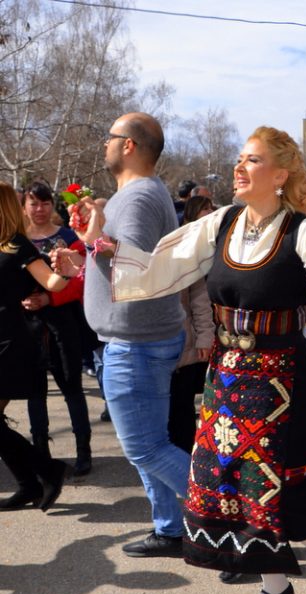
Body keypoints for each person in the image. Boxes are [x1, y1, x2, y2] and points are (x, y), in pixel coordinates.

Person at [64, 126, 306, 594]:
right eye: (239, 159)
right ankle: (274, 585)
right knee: (238, 487)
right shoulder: (220, 223)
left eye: (253, 160)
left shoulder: (303, 230)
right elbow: (159, 266)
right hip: (227, 377)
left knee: (285, 490)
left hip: (282, 383)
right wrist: (98, 243)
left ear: (281, 174)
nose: (239, 168)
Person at [74, 112, 193, 558]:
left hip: (137, 344)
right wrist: (87, 249)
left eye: (109, 137)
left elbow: (136, 268)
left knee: (146, 448)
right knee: (150, 443)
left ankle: (230, 516)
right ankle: (169, 529)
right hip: (136, 340)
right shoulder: (133, 195)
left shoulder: (140, 197)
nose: (103, 143)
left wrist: (92, 239)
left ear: (129, 146)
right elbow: (119, 259)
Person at [0, 182, 70, 512]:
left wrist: (66, 270)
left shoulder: (18, 246)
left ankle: (45, 471)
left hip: (11, 343)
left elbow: (52, 282)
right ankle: (32, 482)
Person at [21, 181, 93, 476]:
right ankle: (41, 455)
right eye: (33, 204)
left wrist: (49, 298)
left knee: (72, 387)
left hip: (64, 323)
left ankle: (83, 452)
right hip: (27, 325)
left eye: (45, 203)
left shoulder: (67, 236)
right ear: (24, 207)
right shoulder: (16, 239)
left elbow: (81, 280)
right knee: (35, 392)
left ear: (53, 205)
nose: (40, 209)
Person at [167, 195, 217, 453]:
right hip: (153, 349)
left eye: (210, 208)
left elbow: (199, 298)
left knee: (183, 410)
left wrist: (205, 337)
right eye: (203, 209)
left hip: (185, 346)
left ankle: (186, 466)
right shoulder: (158, 246)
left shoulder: (188, 250)